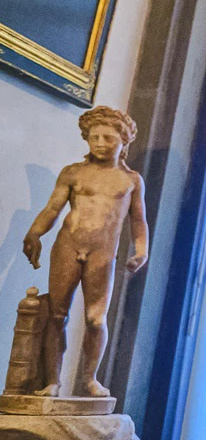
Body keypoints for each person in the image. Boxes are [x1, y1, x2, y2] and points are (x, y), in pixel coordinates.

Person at [23, 107, 148, 398]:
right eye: (94, 138)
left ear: (124, 140)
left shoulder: (131, 180)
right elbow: (52, 209)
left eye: (108, 138)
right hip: (68, 246)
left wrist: (141, 250)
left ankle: (90, 379)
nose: (100, 144)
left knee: (95, 319)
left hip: (102, 253)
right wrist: (35, 233)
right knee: (57, 315)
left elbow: (138, 220)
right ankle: (52, 381)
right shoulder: (73, 173)